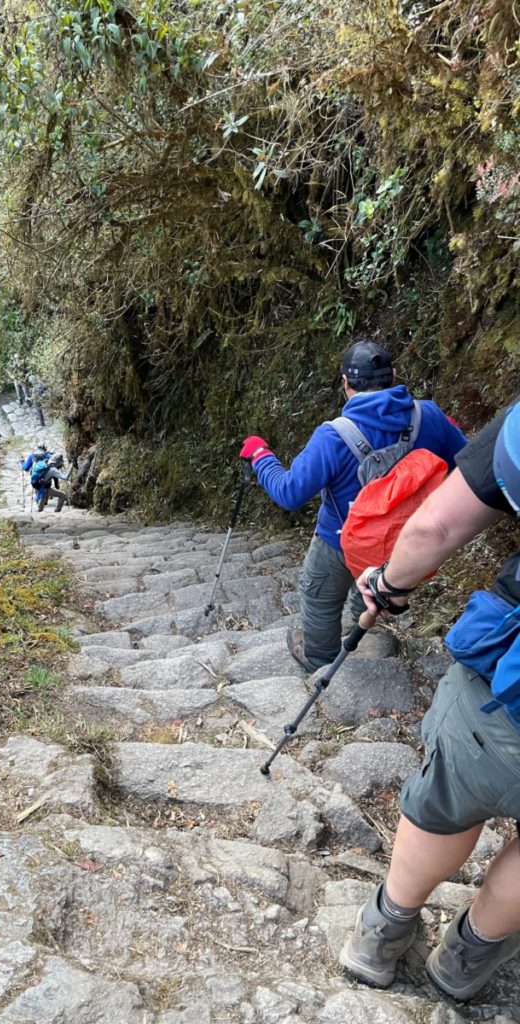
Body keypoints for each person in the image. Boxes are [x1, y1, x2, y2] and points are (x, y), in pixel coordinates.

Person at [339, 400, 520, 1000]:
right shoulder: (430, 413)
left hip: (503, 698)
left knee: (449, 795)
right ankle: (464, 962)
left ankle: (380, 936)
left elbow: (434, 527)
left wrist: (388, 586)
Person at [239, 339, 467, 672]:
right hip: (403, 540)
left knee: (319, 596)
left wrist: (260, 456)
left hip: (339, 540)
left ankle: (320, 661)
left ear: (345, 382)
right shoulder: (429, 416)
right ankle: (364, 630)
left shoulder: (333, 436)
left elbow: (289, 493)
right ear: (393, 375)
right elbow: (466, 466)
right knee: (375, 581)